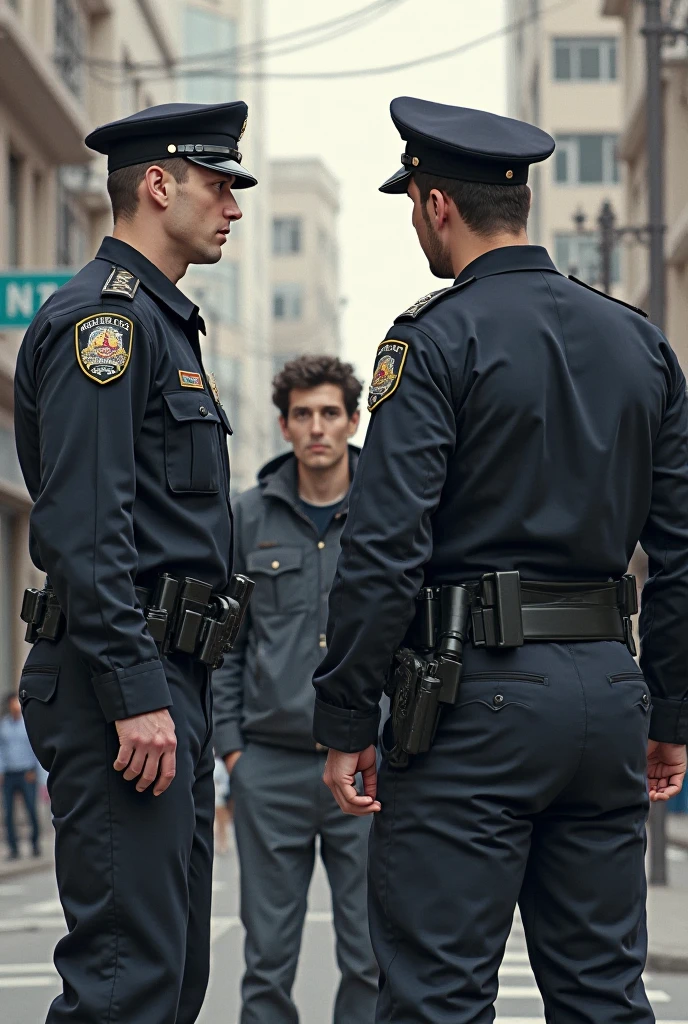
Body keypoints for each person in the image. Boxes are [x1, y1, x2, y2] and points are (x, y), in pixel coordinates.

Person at [313, 96, 688, 1024]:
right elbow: (680, 550)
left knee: (438, 995)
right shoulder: (641, 341)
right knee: (604, 992)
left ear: (437, 204)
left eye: (412, 204)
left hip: (468, 701)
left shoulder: (433, 340)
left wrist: (347, 711)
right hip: (608, 693)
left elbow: (386, 545)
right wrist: (671, 706)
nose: (414, 223)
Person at [14, 100, 257, 1024]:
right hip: (119, 684)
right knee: (127, 984)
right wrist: (134, 690)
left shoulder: (162, 324)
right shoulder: (103, 327)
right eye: (220, 183)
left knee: (171, 975)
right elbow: (86, 528)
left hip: (166, 680)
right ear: (158, 185)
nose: (232, 205)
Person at [213, 355, 378, 1024]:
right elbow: (227, 643)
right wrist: (233, 753)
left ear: (353, 420)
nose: (318, 428)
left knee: (370, 954)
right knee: (268, 959)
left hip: (363, 766)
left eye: (330, 413)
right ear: (284, 425)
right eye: (303, 414)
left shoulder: (385, 511)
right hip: (270, 767)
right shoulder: (246, 517)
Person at [0, 692, 41, 860]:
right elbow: (1, 750)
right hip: (9, 774)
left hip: (27, 773)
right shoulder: (4, 725)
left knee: (31, 809)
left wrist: (34, 770)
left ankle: (34, 844)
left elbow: (36, 748)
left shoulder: (28, 724)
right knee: (8, 813)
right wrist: (1, 770)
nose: (14, 706)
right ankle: (13, 848)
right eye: (11, 704)